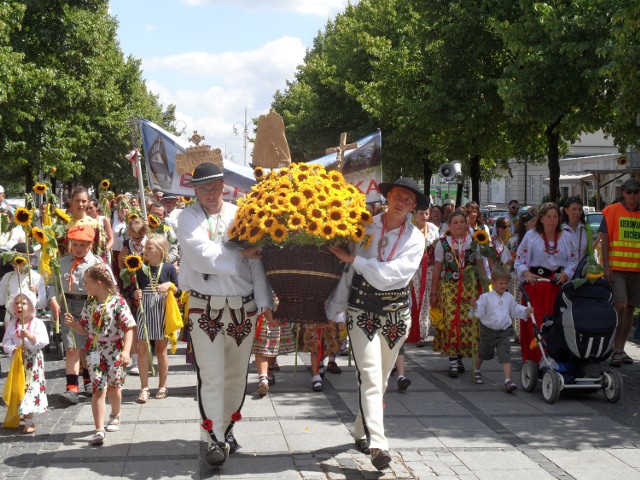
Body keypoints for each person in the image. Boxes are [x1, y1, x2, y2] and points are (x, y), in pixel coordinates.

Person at [326, 177, 427, 471]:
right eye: (397, 195)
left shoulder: (416, 238)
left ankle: (360, 429)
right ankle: (379, 444)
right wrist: (335, 303)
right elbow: (345, 267)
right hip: (362, 311)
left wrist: (355, 259)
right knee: (369, 375)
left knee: (381, 379)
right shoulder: (364, 225)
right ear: (388, 197)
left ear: (413, 207)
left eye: (408, 200)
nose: (401, 202)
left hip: (396, 314)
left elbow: (394, 275)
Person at [177, 163, 274, 467]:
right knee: (211, 375)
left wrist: (264, 301)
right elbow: (199, 254)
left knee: (235, 377)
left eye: (215, 186)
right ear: (194, 190)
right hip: (204, 307)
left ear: (224, 186)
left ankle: (227, 429)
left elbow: (256, 262)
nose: (210, 193)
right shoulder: (187, 217)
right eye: (203, 188)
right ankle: (214, 438)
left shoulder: (240, 214)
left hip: (243, 308)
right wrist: (237, 251)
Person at [64, 264, 135, 446]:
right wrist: (74, 324)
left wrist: (126, 351)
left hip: (115, 350)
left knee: (113, 387)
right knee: (98, 389)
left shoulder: (118, 302)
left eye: (86, 283)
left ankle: (115, 414)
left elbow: (129, 328)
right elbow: (85, 328)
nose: (84, 287)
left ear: (98, 283)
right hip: (95, 351)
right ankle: (99, 429)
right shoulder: (90, 303)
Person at [514, 203, 578, 364]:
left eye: (555, 216)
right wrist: (527, 273)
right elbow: (519, 261)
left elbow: (574, 261)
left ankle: (555, 358)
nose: (552, 220)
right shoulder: (531, 236)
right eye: (548, 216)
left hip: (556, 287)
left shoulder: (566, 237)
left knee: (556, 324)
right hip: (536, 285)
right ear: (541, 219)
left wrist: (566, 274)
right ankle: (535, 361)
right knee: (536, 324)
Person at [49, 225, 105, 405]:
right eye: (75, 245)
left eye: (83, 245)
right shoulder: (62, 262)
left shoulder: (96, 263)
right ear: (69, 245)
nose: (78, 249)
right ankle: (72, 388)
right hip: (67, 305)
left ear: (90, 245)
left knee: (88, 347)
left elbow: (105, 286)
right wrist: (53, 301)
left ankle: (89, 381)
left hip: (89, 306)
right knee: (72, 347)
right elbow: (52, 284)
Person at [431, 210, 486, 377]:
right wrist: (434, 293)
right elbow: (437, 269)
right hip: (448, 287)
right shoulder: (442, 243)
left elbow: (479, 266)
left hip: (469, 287)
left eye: (462, 221)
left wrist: (484, 289)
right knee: (450, 321)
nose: (459, 225)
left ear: (466, 223)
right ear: (450, 225)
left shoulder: (474, 242)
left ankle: (460, 358)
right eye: (455, 222)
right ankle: (453, 361)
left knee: (467, 322)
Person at [130, 234, 180, 403]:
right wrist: (135, 294)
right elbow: (131, 289)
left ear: (160, 251)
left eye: (149, 248)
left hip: (162, 309)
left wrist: (170, 285)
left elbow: (180, 290)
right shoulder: (139, 268)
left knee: (161, 349)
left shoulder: (168, 268)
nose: (145, 251)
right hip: (145, 309)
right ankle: (144, 387)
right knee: (142, 348)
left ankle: (162, 385)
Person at [470, 267, 533, 392]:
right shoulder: (485, 297)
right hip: (488, 331)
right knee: (483, 352)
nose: (504, 286)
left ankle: (508, 380)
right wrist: (475, 306)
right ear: (493, 283)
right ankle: (476, 369)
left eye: (506, 283)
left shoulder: (508, 297)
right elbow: (480, 312)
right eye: (501, 283)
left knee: (506, 355)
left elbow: (514, 309)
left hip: (504, 331)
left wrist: (525, 310)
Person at [600, 178, 640, 367]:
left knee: (631, 308)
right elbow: (605, 240)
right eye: (629, 192)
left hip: (637, 270)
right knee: (621, 306)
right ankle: (613, 348)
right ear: (623, 192)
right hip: (618, 269)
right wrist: (607, 267)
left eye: (635, 192)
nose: (632, 195)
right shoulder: (611, 211)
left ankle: (620, 349)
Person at [2, 291, 49, 434]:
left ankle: (29, 421)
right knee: (19, 387)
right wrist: (13, 348)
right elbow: (6, 342)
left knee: (29, 388)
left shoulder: (37, 323)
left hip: (32, 363)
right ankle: (21, 415)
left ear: (31, 306)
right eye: (16, 303)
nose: (19, 306)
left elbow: (44, 341)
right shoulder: (12, 324)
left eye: (23, 303)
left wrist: (30, 337)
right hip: (18, 361)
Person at [118, 216, 148, 375]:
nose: (136, 241)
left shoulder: (149, 244)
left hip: (147, 287)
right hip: (131, 288)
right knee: (134, 324)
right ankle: (136, 359)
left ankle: (147, 355)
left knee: (147, 324)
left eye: (139, 237)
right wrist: (126, 275)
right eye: (133, 237)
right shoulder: (126, 245)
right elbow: (120, 264)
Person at [409, 207, 439, 347]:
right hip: (413, 268)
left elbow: (438, 248)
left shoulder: (433, 229)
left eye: (427, 213)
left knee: (426, 298)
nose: (425, 216)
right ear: (415, 214)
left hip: (429, 269)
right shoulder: (409, 228)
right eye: (422, 213)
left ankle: (422, 332)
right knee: (414, 297)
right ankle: (411, 329)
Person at [252, 312, 295, 396]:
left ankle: (269, 372)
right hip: (261, 309)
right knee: (262, 344)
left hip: (278, 311)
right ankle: (263, 379)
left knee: (274, 344)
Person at [562, 196, 589, 265]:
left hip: (580, 272)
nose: (577, 212)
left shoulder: (586, 228)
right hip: (563, 271)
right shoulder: (560, 229)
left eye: (580, 209)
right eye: (574, 209)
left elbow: (590, 253)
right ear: (566, 210)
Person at [86, 199, 114, 264]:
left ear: (97, 207)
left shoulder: (104, 219)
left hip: (102, 252)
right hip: (89, 253)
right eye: (86, 208)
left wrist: (105, 249)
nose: (88, 210)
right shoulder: (85, 221)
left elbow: (111, 238)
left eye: (91, 208)